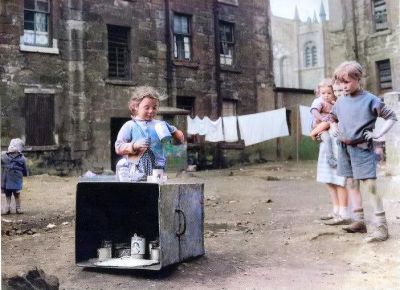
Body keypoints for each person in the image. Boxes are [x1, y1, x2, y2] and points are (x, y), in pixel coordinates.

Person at [331, 61, 397, 242]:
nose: (343, 86)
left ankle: (382, 227)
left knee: (370, 185)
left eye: (346, 82)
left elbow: (392, 116)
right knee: (351, 183)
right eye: (340, 83)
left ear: (358, 79)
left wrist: (378, 134)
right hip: (344, 148)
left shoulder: (371, 100)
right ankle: (359, 221)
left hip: (362, 148)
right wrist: (333, 127)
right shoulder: (340, 101)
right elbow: (332, 118)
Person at [115, 86, 185, 181]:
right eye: (147, 107)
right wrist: (134, 146)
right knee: (139, 188)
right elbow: (118, 147)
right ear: (136, 107)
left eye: (154, 107)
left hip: (158, 168)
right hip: (137, 169)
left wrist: (176, 134)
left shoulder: (161, 124)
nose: (151, 111)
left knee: (155, 189)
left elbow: (179, 139)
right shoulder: (130, 125)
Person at [314, 80, 350, 225]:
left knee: (339, 181)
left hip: (338, 145)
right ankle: (336, 210)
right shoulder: (323, 105)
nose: (328, 95)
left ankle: (344, 213)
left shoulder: (341, 105)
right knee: (328, 179)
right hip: (327, 146)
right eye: (324, 93)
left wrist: (315, 131)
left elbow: (329, 121)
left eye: (332, 92)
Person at [310, 78, 337, 168]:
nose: (326, 96)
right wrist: (322, 118)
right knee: (327, 139)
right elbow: (314, 110)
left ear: (334, 93)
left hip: (329, 126)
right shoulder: (319, 101)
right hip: (319, 126)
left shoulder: (333, 103)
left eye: (329, 93)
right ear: (319, 93)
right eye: (323, 93)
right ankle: (330, 160)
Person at [1, 138, 29, 215]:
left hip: (16, 178)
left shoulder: (22, 158)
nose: (12, 149)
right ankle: (7, 208)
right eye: (11, 146)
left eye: (15, 147)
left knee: (17, 194)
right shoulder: (3, 156)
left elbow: (25, 167)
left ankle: (18, 208)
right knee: (8, 194)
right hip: (6, 178)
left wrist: (25, 173)